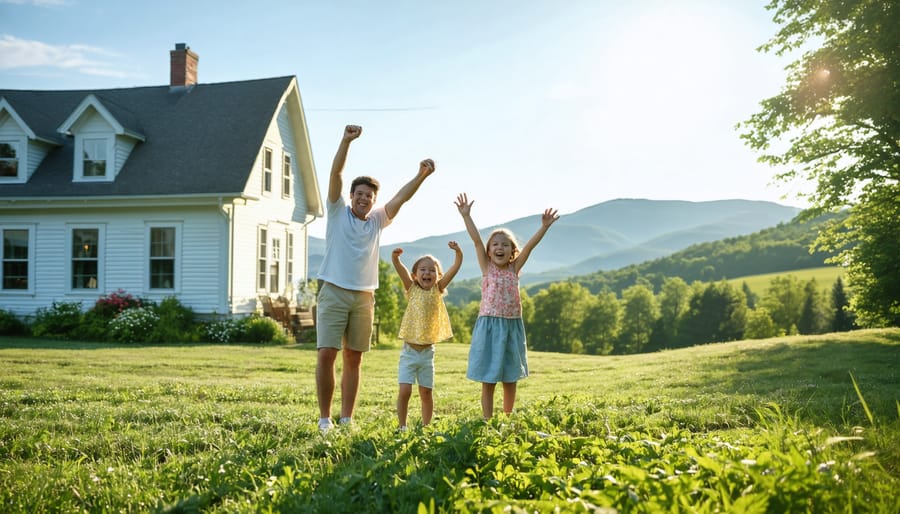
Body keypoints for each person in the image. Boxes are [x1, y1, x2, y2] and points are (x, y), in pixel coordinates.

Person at [316, 124, 436, 433]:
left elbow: (401, 197)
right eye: (359, 194)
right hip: (333, 291)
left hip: (364, 297)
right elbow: (335, 177)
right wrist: (345, 141)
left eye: (369, 196)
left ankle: (346, 419)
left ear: (373, 200)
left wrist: (421, 175)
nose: (364, 199)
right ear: (351, 196)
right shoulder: (337, 211)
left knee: (354, 358)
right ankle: (325, 419)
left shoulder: (378, 221)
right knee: (328, 354)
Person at [454, 192, 559, 420]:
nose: (499, 248)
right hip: (489, 326)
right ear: (489, 251)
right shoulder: (486, 267)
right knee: (489, 378)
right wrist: (466, 216)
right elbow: (476, 240)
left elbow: (530, 246)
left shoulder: (514, 268)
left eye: (505, 245)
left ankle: (508, 417)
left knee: (510, 377)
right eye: (495, 245)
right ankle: (487, 419)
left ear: (512, 251)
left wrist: (544, 227)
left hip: (511, 327)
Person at [391, 241, 463, 431]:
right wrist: (396, 259)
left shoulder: (437, 290)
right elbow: (402, 272)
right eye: (423, 270)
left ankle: (426, 426)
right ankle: (402, 426)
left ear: (438, 276)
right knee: (405, 390)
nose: (427, 273)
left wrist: (458, 254)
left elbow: (453, 270)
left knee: (426, 392)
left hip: (427, 353)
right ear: (415, 275)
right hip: (409, 352)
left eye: (432, 270)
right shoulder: (412, 289)